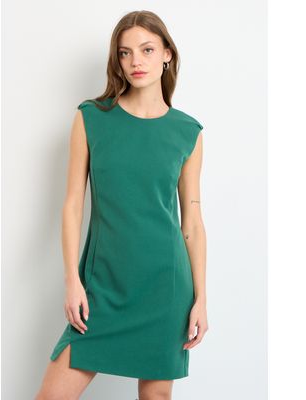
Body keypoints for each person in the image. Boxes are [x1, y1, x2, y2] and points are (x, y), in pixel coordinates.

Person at [35, 10, 208, 400]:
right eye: (125, 52)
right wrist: (72, 280)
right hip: (103, 285)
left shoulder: (188, 132)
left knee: (156, 396)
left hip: (166, 287)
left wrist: (201, 298)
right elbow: (72, 206)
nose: (135, 62)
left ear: (167, 54)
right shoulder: (92, 118)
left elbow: (192, 223)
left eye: (147, 50)